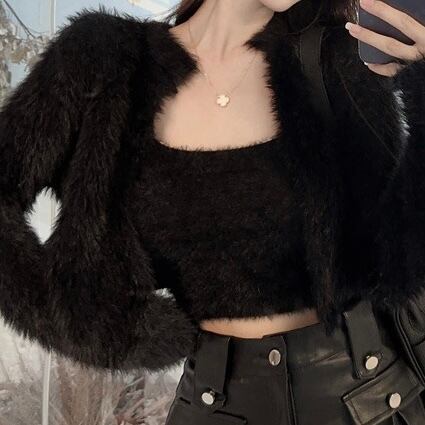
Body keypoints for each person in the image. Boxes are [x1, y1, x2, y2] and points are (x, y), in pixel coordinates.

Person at [1, 0, 425, 423]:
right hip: (212, 405)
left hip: (362, 400)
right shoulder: (102, 60)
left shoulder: (338, 56)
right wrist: (99, 331)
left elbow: (397, 270)